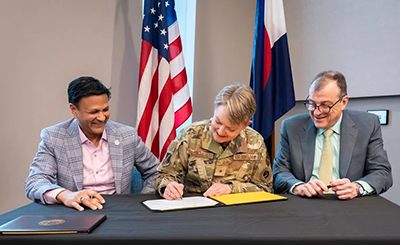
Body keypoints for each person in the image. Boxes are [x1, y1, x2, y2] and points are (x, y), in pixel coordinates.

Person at [24, 76, 159, 211]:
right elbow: (34, 182)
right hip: (76, 211)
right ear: (74, 110)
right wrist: (66, 195)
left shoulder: (126, 135)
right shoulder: (55, 138)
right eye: (94, 112)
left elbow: (156, 171)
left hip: (120, 211)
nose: (101, 118)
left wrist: (141, 202)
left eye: (105, 110)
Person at [273, 70, 392, 199]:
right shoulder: (291, 127)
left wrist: (357, 188)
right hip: (305, 203)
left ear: (343, 102)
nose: (317, 112)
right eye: (312, 104)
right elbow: (279, 172)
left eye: (325, 105)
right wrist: (299, 187)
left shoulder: (367, 125)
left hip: (349, 205)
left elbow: (382, 173)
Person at [156, 84, 272, 200]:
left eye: (230, 129)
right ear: (214, 108)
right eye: (218, 121)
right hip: (195, 208)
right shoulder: (190, 135)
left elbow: (265, 187)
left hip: (238, 212)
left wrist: (232, 189)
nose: (221, 131)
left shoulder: (255, 142)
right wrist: (168, 187)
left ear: (245, 125)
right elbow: (165, 175)